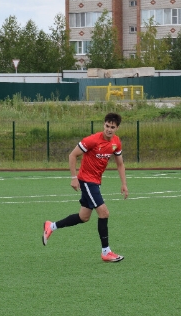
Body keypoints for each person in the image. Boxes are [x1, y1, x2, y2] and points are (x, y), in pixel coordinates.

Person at [42, 112, 128, 262]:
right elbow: (72, 155)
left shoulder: (116, 142)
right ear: (103, 125)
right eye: (107, 126)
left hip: (96, 181)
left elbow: (120, 164)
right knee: (104, 213)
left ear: (117, 128)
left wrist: (124, 184)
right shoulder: (92, 140)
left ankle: (51, 226)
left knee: (84, 217)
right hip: (87, 181)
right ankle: (106, 252)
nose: (109, 129)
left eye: (112, 127)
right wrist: (74, 178)